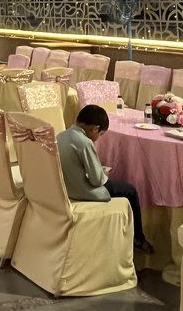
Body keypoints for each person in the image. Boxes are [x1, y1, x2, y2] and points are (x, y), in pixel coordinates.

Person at [57, 105, 154, 254]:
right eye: (101, 134)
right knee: (130, 191)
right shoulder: (84, 142)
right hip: (82, 191)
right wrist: (103, 172)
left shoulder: (61, 135)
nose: (99, 138)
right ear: (95, 129)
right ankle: (138, 238)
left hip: (66, 187)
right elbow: (97, 180)